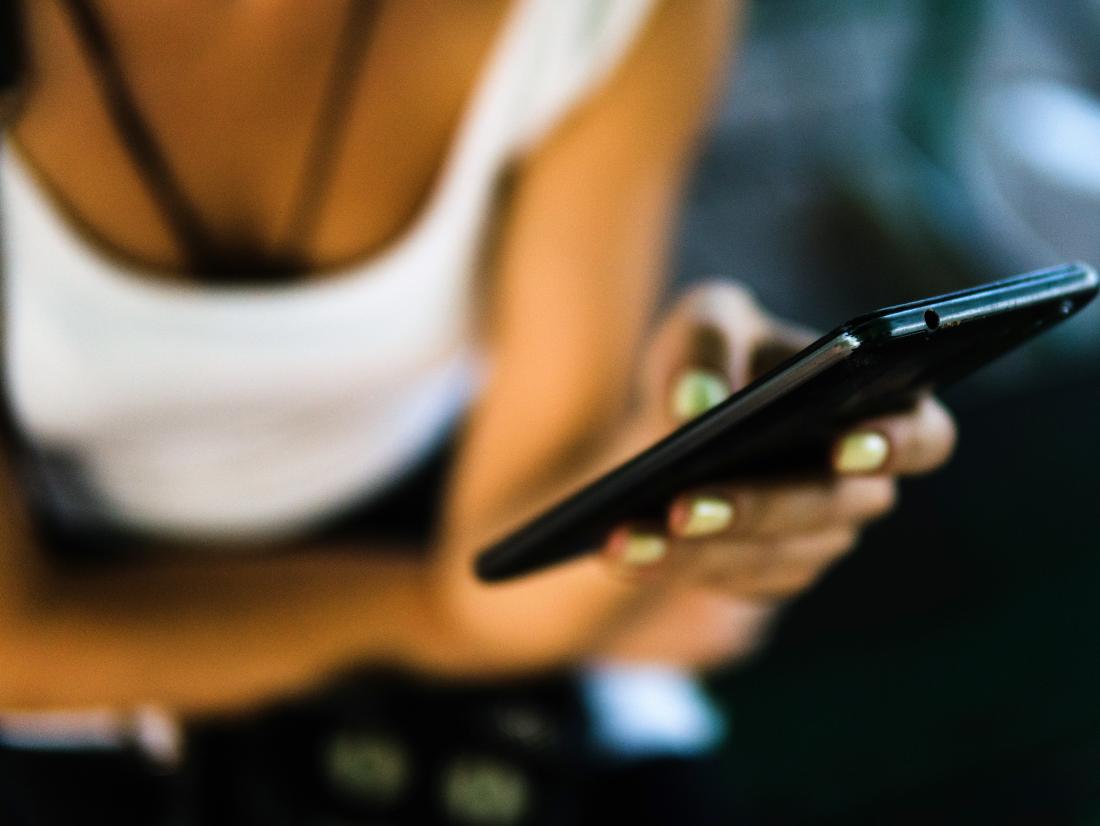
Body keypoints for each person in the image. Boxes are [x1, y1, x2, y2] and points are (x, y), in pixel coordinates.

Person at [0, 0, 956, 822]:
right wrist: (461, 622)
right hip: (92, 614)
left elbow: (522, 521)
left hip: (438, 516)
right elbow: (19, 643)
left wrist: (667, 468)